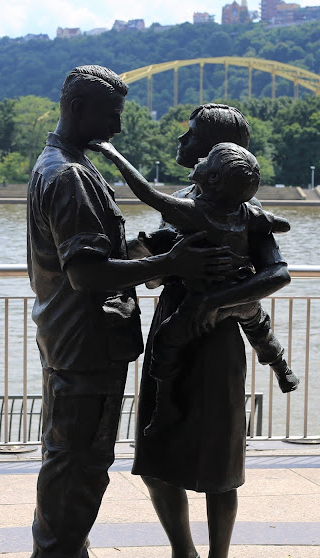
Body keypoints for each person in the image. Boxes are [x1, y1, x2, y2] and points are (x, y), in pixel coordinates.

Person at [27, 69, 233, 558]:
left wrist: (148, 250)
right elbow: (87, 272)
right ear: (77, 108)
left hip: (73, 337)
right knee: (79, 465)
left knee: (68, 456)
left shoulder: (65, 165)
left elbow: (102, 253)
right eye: (111, 112)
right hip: (85, 342)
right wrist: (169, 265)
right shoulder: (69, 176)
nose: (119, 123)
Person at [128, 103, 294, 558]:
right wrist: (150, 262)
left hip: (216, 342)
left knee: (219, 466)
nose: (183, 139)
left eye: (193, 133)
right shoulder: (183, 203)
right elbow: (159, 267)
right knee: (155, 455)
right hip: (171, 332)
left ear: (216, 152)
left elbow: (275, 273)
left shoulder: (245, 211)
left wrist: (213, 300)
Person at [91, 139, 299, 437]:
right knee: (259, 327)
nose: (198, 156)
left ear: (213, 178)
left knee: (165, 342)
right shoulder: (244, 212)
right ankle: (282, 368)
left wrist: (114, 155)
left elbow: (147, 193)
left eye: (207, 157)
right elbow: (278, 224)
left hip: (201, 297)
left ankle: (164, 408)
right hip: (241, 291)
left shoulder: (194, 212)